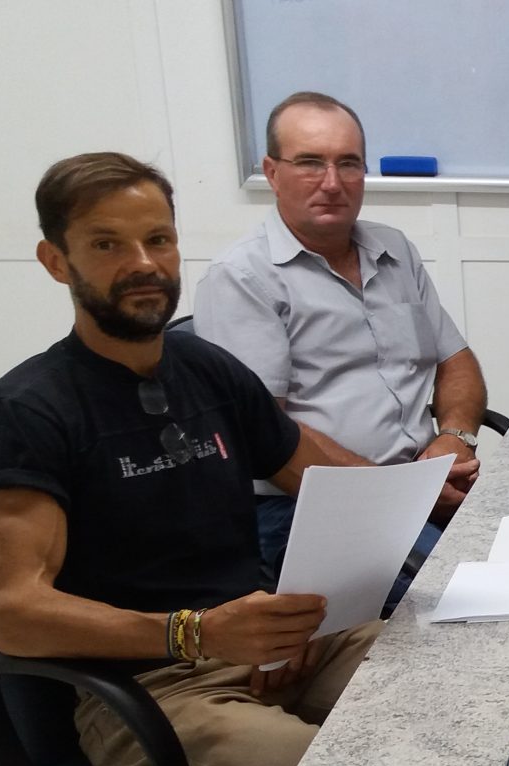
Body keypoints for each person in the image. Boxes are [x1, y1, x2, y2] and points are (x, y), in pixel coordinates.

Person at [0, 152, 382, 766]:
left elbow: (328, 486)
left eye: (158, 239)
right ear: (56, 261)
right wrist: (198, 633)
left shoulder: (204, 367)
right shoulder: (28, 411)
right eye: (107, 244)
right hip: (150, 693)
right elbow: (13, 614)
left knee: (456, 686)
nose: (144, 263)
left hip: (268, 648)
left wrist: (315, 611)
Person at [194, 91, 484, 595]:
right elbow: (266, 437)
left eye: (348, 163)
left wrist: (455, 438)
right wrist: (398, 495)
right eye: (310, 163)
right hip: (305, 507)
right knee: (458, 595)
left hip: (421, 484)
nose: (332, 182)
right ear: (272, 172)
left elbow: (455, 361)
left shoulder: (395, 249)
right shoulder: (242, 278)